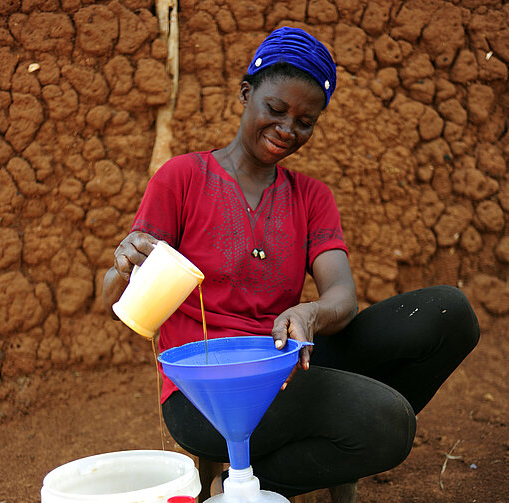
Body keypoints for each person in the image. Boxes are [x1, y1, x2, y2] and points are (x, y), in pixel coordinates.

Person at [103, 27, 480, 502]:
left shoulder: (311, 197)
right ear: (246, 94)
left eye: (305, 121)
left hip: (287, 359)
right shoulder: (183, 178)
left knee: (450, 314)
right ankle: (324, 449)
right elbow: (113, 296)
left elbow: (342, 297)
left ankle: (254, 477)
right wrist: (123, 262)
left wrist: (309, 313)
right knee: (388, 424)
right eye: (276, 110)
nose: (287, 129)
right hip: (211, 392)